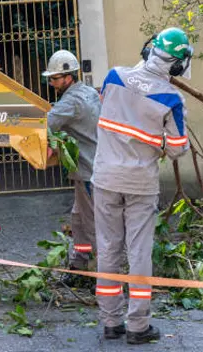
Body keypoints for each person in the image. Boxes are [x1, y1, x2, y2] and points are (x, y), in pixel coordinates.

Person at [92, 27, 192, 344]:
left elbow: (107, 111)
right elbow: (178, 149)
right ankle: (138, 327)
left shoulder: (113, 76)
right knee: (138, 253)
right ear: (177, 66)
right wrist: (157, 142)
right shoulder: (171, 98)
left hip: (105, 178)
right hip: (139, 184)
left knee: (108, 250)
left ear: (149, 50)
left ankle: (110, 322)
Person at [43, 50, 101, 281]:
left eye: (55, 78)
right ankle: (80, 264)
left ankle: (102, 272)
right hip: (90, 169)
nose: (51, 83)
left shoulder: (71, 101)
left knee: (92, 221)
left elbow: (46, 124)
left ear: (68, 77)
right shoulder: (88, 93)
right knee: (78, 218)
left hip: (88, 171)